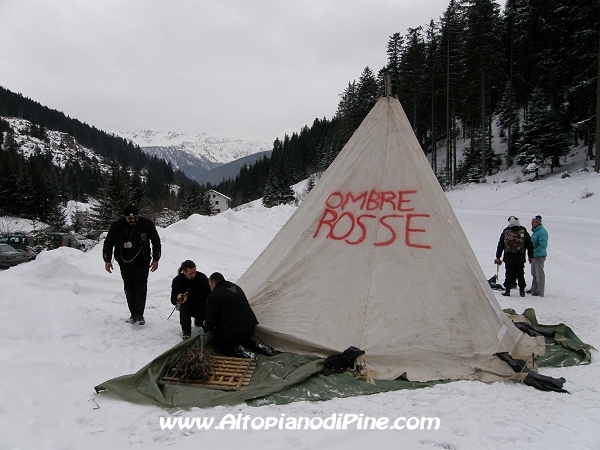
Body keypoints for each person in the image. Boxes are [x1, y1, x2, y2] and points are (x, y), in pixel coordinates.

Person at [103, 204, 161, 325]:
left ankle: (139, 314)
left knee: (140, 287)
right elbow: (108, 243)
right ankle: (132, 313)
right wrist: (107, 260)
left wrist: (156, 259)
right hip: (124, 262)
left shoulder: (146, 224)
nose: (133, 220)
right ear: (124, 217)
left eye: (135, 217)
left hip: (142, 260)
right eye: (130, 219)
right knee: (129, 288)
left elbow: (156, 241)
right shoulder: (116, 226)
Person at [203, 272, 276, 362]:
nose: (210, 288)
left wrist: (205, 324)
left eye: (210, 286)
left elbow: (211, 323)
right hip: (250, 327)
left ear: (213, 283)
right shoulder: (235, 287)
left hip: (235, 332)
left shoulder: (213, 297)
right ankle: (256, 345)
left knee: (219, 345)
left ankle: (238, 351)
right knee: (241, 338)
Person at [170, 260, 211, 340]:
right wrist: (178, 299)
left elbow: (209, 294)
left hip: (201, 305)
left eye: (194, 272)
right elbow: (173, 298)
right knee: (185, 308)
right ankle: (186, 330)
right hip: (187, 306)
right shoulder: (177, 281)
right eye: (190, 273)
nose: (193, 275)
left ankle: (199, 320)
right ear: (184, 272)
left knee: (207, 328)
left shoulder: (202, 277)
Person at [494, 215, 533, 297]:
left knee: (508, 273)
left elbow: (501, 244)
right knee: (520, 273)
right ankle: (522, 291)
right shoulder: (523, 231)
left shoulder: (506, 231)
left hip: (508, 257)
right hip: (520, 257)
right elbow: (529, 244)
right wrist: (530, 256)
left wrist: (498, 256)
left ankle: (507, 290)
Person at [528, 215, 548, 297]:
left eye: (533, 222)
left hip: (539, 256)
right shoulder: (536, 232)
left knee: (539, 273)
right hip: (534, 255)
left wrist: (534, 253)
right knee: (534, 273)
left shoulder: (542, 232)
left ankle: (540, 291)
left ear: (538, 223)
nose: (531, 223)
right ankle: (534, 288)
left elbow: (543, 245)